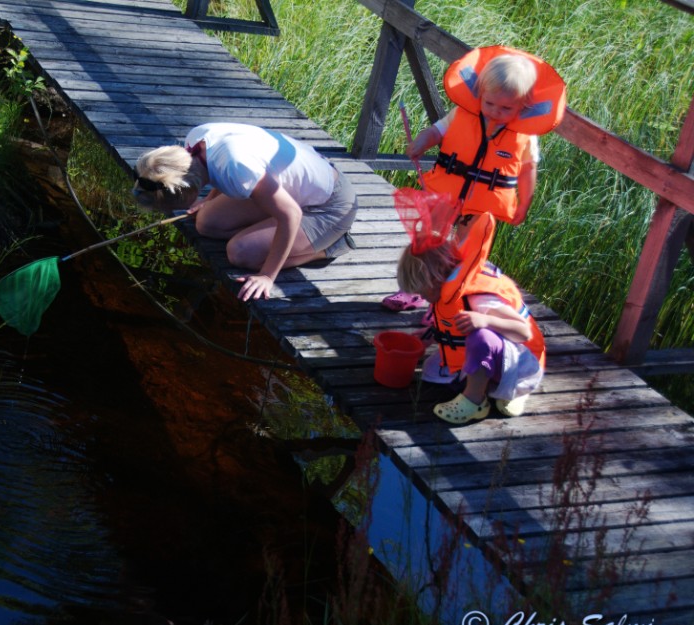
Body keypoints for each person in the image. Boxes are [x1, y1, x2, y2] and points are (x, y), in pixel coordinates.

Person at [382, 45, 566, 312]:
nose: (494, 111)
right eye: (489, 103)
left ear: (524, 105)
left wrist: (525, 202)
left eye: (505, 108)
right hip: (446, 195)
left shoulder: (525, 135)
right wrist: (421, 142)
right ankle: (412, 291)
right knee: (426, 243)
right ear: (480, 92)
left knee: (465, 252)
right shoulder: (464, 114)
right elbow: (437, 131)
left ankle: (447, 299)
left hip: (481, 206)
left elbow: (527, 170)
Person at [132, 122, 358, 301]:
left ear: (189, 190)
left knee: (241, 253)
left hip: (328, 206)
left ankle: (330, 245)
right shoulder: (195, 143)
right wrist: (207, 201)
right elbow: (214, 170)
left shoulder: (237, 169)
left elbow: (291, 215)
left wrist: (268, 276)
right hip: (289, 189)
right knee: (206, 222)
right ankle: (271, 225)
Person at [395, 211, 545, 424]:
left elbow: (523, 332)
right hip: (499, 358)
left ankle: (475, 401)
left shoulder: (479, 298)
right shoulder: (448, 289)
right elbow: (448, 323)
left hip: (521, 365)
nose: (424, 297)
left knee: (480, 336)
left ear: (438, 275)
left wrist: (485, 320)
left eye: (424, 291)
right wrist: (429, 336)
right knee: (430, 373)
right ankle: (492, 389)